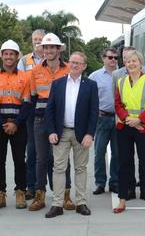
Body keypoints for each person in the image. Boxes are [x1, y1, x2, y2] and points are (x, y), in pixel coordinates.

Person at [44, 52, 98, 218]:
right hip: (62, 132)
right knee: (59, 168)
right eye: (72, 62)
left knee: (81, 168)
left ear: (84, 66)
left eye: (78, 63)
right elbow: (50, 110)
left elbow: (93, 111)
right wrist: (51, 131)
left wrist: (90, 134)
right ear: (68, 63)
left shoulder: (90, 85)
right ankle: (57, 204)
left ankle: (81, 202)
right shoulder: (58, 83)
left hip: (82, 134)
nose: (74, 65)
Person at [27, 33, 72, 211]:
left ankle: (65, 196)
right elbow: (32, 98)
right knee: (42, 159)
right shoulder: (35, 71)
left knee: (62, 160)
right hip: (40, 120)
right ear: (42, 50)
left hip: (62, 121)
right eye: (46, 47)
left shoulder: (68, 70)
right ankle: (40, 196)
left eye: (52, 47)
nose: (49, 51)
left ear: (58, 49)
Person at [112, 50, 145, 215]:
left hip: (144, 127)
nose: (131, 64)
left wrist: (139, 120)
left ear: (141, 63)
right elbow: (117, 104)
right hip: (124, 128)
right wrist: (127, 120)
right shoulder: (121, 82)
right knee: (124, 164)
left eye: (134, 61)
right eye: (128, 61)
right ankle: (122, 200)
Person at [0, 40, 30, 209]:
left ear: (16, 56)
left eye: (12, 54)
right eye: (6, 53)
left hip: (19, 125)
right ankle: (0, 193)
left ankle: (21, 192)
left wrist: (15, 123)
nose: (8, 57)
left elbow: (27, 103)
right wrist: (2, 124)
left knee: (20, 160)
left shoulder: (25, 77)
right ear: (2, 56)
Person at [19, 29, 45, 201]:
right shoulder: (24, 60)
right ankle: (31, 186)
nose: (37, 42)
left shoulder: (52, 59)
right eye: (35, 39)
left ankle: (54, 189)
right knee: (32, 149)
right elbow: (20, 82)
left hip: (49, 106)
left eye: (40, 39)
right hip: (30, 106)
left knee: (51, 154)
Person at [89, 48, 120, 195]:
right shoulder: (95, 76)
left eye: (115, 57)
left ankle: (114, 182)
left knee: (117, 153)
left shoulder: (123, 74)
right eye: (110, 57)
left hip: (120, 118)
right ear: (103, 58)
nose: (113, 60)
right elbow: (88, 97)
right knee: (99, 152)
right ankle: (100, 183)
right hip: (102, 119)